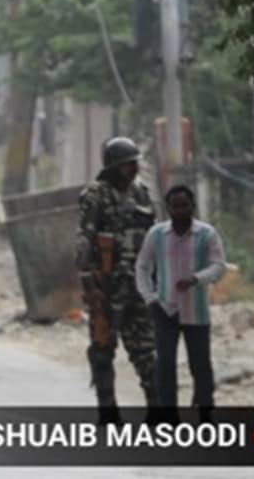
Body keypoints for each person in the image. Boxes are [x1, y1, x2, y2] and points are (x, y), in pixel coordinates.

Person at [75, 136, 158, 425]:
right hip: (107, 286)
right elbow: (84, 241)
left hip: (139, 286)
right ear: (113, 167)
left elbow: (155, 238)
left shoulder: (143, 195)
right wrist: (90, 285)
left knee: (147, 350)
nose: (133, 169)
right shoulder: (96, 196)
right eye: (126, 165)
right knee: (102, 349)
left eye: (134, 164)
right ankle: (108, 413)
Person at [135, 185, 226, 423]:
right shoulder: (156, 234)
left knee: (200, 366)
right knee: (165, 366)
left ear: (192, 206)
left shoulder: (207, 234)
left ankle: (206, 414)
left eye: (184, 205)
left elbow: (219, 266)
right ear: (168, 208)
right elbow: (142, 267)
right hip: (165, 309)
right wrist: (150, 298)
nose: (180, 211)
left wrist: (197, 278)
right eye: (175, 206)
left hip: (195, 311)